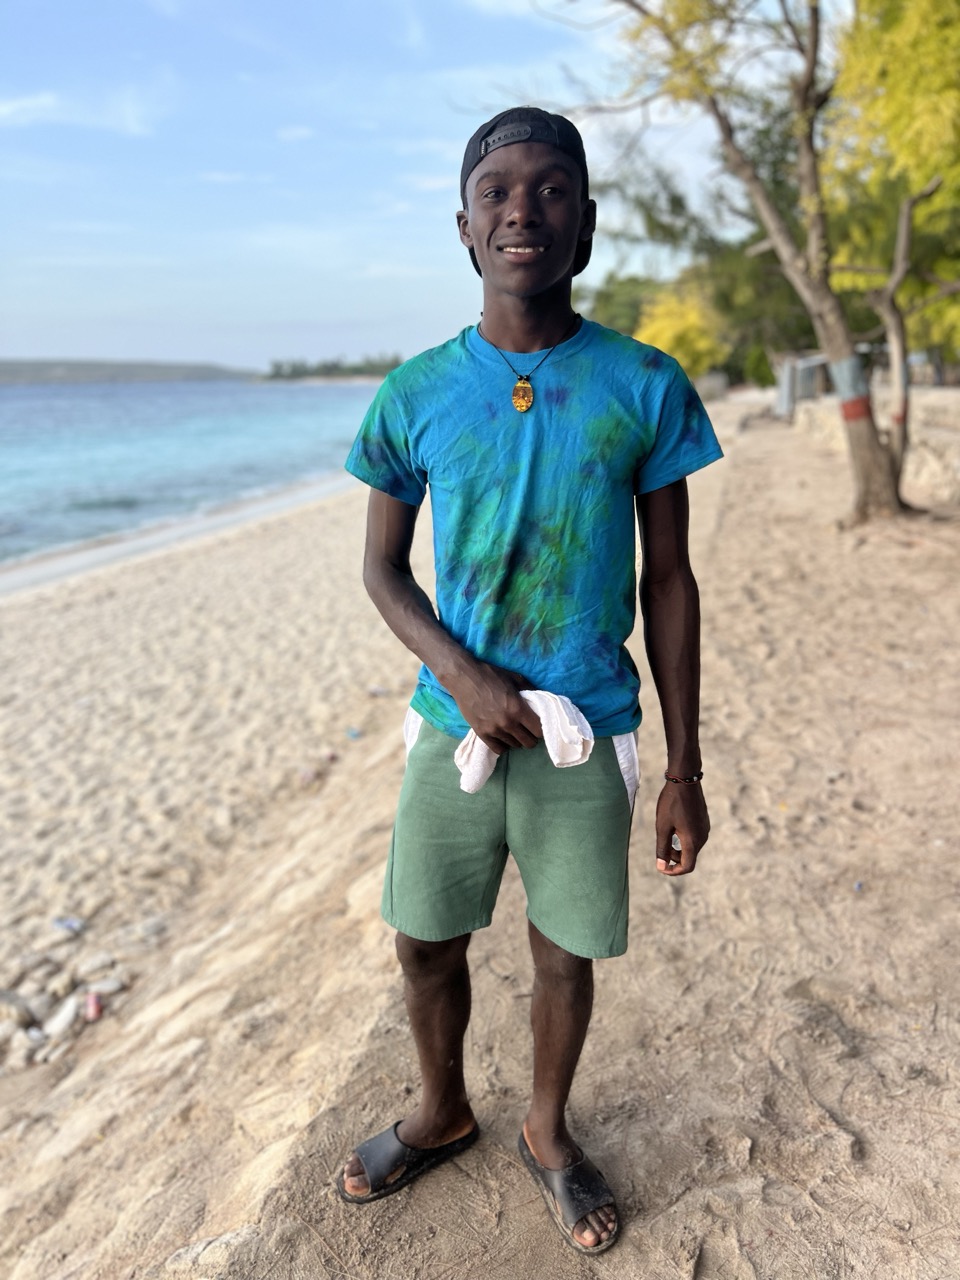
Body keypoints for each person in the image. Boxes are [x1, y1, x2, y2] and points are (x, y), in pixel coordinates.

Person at [338, 106, 722, 1255]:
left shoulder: (644, 383)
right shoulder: (416, 391)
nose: (523, 209)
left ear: (585, 225)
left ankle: (547, 1128)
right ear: (463, 227)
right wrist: (462, 674)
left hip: (582, 729)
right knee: (423, 941)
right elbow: (381, 567)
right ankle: (441, 1107)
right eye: (496, 190)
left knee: (564, 950)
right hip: (452, 727)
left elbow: (669, 580)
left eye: (552, 188)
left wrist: (685, 769)